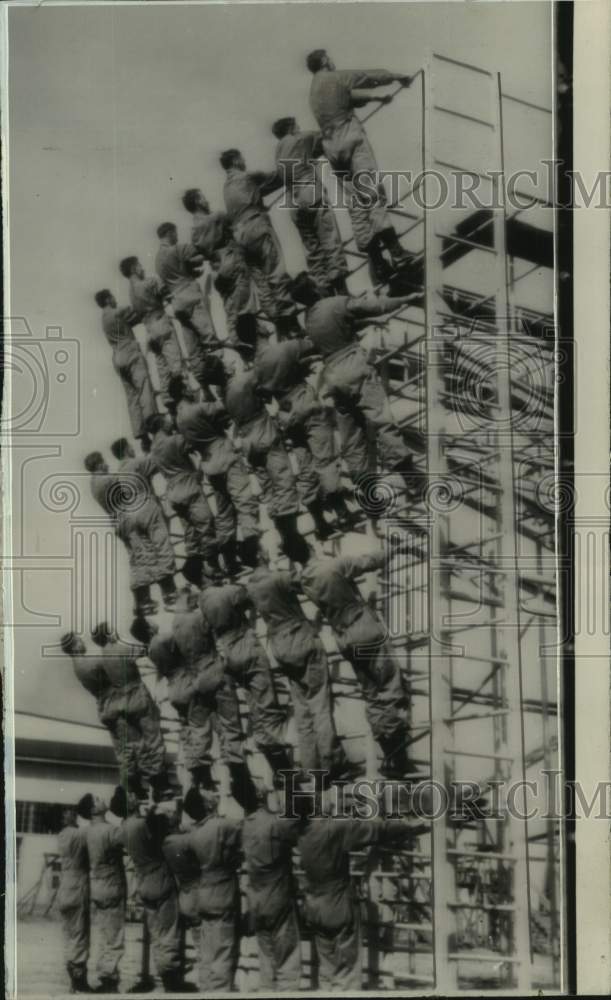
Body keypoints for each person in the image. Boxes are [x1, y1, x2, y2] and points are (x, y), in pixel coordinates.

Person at [290, 272, 420, 483]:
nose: (323, 282)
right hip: (353, 366)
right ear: (315, 289)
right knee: (380, 418)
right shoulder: (336, 302)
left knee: (350, 436)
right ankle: (409, 474)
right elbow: (376, 306)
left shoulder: (309, 320)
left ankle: (365, 487)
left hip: (332, 376)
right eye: (318, 280)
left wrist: (367, 322)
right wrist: (406, 299)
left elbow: (339, 326)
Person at [300, 550, 410, 777]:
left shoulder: (305, 580)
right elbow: (369, 559)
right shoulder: (332, 566)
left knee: (371, 693)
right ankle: (397, 758)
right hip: (363, 628)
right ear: (311, 549)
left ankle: (388, 754)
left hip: (344, 637)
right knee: (390, 686)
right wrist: (397, 549)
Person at [306, 49, 413, 282]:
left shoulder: (313, 91)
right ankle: (397, 252)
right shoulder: (335, 77)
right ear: (325, 60)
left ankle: (378, 262)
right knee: (372, 194)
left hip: (332, 146)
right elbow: (367, 76)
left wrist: (375, 99)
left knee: (356, 205)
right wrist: (396, 76)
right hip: (350, 137)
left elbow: (347, 98)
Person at [297, 801, 422, 990]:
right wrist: (408, 826)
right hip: (339, 907)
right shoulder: (336, 828)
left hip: (315, 908)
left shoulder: (302, 834)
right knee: (347, 972)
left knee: (327, 969)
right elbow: (377, 830)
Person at [246, 565, 351, 782]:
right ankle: (332, 761)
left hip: (280, 646)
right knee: (320, 703)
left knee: (302, 708)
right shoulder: (279, 578)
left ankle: (310, 765)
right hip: (301, 639)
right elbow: (310, 581)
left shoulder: (251, 588)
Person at [254, 336, 355, 534]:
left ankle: (320, 524)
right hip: (304, 403)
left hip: (286, 414)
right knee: (325, 459)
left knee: (305, 468)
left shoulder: (257, 369)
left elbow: (262, 394)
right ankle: (342, 512)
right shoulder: (285, 348)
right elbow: (313, 343)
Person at [198, 582, 292, 778]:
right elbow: (250, 597)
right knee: (266, 708)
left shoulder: (203, 600)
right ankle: (283, 771)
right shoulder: (229, 591)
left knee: (248, 710)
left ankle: (266, 767)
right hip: (245, 645)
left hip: (226, 652)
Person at [168, 374, 260, 574]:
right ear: (183, 391)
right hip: (224, 453)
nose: (192, 389)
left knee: (224, 510)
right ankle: (252, 551)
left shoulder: (179, 418)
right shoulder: (197, 409)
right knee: (244, 501)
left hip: (209, 462)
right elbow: (224, 406)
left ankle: (229, 559)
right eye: (188, 387)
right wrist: (208, 389)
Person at [224, 367, 310, 565]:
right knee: (283, 481)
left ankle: (285, 532)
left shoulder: (226, 395)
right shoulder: (245, 380)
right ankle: (291, 537)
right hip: (263, 433)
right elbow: (268, 384)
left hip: (248, 441)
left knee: (269, 489)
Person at [220, 148, 298, 335]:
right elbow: (279, 176)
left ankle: (279, 322)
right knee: (276, 272)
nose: (245, 161)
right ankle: (291, 321)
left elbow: (254, 193)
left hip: (240, 236)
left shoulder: (227, 187)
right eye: (242, 157)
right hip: (257, 227)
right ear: (237, 160)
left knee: (262, 283)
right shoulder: (247, 177)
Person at [91, 622, 171, 799]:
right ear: (110, 634)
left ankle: (144, 785)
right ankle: (160, 786)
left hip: (122, 702)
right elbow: (144, 650)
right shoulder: (120, 648)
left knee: (137, 746)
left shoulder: (101, 659)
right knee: (153, 739)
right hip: (138, 697)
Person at [118, 793, 188, 993]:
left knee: (156, 932)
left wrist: (152, 811)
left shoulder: (125, 829)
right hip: (161, 880)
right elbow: (159, 834)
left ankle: (161, 971)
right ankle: (170, 977)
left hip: (144, 882)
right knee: (169, 931)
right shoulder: (147, 831)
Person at [271, 116, 348, 296]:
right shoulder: (299, 138)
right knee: (330, 240)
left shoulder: (278, 151)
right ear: (291, 128)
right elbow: (325, 134)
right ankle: (343, 293)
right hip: (310, 193)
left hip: (293, 202)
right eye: (297, 125)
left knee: (313, 250)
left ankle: (326, 293)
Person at [61, 631, 144, 792]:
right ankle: (134, 788)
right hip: (115, 704)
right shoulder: (90, 663)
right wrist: (112, 645)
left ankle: (130, 788)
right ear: (75, 647)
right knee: (133, 746)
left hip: (105, 708)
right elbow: (116, 661)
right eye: (80, 642)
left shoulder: (78, 666)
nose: (83, 643)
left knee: (123, 752)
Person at [181, 188, 260, 356]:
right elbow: (237, 223)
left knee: (230, 309)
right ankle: (255, 344)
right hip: (231, 259)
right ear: (198, 201)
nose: (207, 201)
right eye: (203, 198)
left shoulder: (194, 231)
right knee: (245, 306)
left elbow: (197, 254)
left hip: (216, 269)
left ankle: (239, 344)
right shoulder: (217, 217)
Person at [146, 412, 221, 584]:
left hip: (173, 492)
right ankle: (214, 567)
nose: (169, 422)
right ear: (161, 425)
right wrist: (200, 471)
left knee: (190, 534)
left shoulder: (153, 450)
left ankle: (198, 573)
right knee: (206, 525)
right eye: (166, 421)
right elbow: (197, 443)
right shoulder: (175, 440)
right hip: (189, 487)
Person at [242, 785, 303, 992]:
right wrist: (283, 793)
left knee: (266, 956)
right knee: (287, 957)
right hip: (278, 897)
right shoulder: (275, 823)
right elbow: (298, 818)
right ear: (263, 799)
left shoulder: (245, 826)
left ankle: (267, 991)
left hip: (256, 899)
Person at [84, 450, 160, 616]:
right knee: (141, 556)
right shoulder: (106, 480)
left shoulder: (93, 483)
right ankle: (142, 600)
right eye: (104, 462)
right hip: (125, 518)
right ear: (99, 464)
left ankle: (141, 601)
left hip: (117, 521)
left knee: (135, 559)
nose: (107, 465)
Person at [183, 789, 242, 992]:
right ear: (207, 806)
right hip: (222, 893)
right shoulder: (222, 826)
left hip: (204, 892)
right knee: (223, 952)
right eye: (208, 795)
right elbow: (246, 828)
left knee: (207, 953)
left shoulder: (193, 833)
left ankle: (206, 990)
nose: (213, 794)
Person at [110, 437, 178, 612]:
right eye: (130, 447)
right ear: (126, 450)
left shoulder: (118, 474)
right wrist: (152, 446)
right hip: (147, 507)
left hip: (132, 513)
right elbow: (156, 461)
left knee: (149, 554)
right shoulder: (135, 463)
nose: (133, 449)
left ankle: (153, 597)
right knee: (162, 546)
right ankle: (170, 595)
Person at [154, 222, 224, 389]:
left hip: (177, 304)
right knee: (209, 338)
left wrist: (187, 268)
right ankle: (222, 379)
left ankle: (204, 388)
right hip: (190, 295)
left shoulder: (157, 259)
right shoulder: (177, 248)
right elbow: (199, 254)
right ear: (170, 233)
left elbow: (165, 283)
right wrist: (196, 263)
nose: (177, 237)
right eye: (175, 233)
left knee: (193, 348)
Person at [94, 289, 155, 447]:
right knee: (143, 387)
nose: (116, 300)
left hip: (117, 357)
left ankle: (141, 434)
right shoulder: (118, 312)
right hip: (130, 351)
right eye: (113, 297)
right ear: (108, 299)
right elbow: (137, 310)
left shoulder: (103, 319)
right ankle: (153, 421)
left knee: (132, 396)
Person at [119, 255, 183, 397]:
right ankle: (185, 396)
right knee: (176, 365)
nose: (143, 268)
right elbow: (166, 293)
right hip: (160, 322)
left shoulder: (131, 293)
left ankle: (169, 402)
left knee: (163, 370)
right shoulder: (149, 282)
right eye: (140, 265)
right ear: (134, 269)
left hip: (149, 330)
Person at [81, 794, 126, 995]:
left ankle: (106, 974)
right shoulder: (110, 830)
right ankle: (108, 977)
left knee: (104, 933)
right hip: (112, 884)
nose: (102, 799)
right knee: (114, 936)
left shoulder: (86, 832)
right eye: (98, 800)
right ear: (93, 810)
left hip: (95, 885)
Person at [57, 805, 91, 994]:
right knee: (80, 933)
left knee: (69, 933)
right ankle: (79, 980)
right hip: (78, 884)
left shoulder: (62, 836)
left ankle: (73, 980)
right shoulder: (80, 834)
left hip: (65, 885)